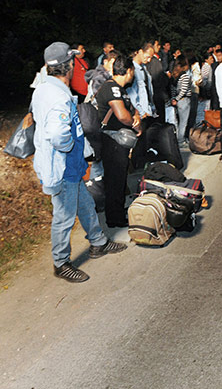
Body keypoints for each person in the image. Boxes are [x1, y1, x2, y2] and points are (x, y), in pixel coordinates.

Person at [32, 42, 127, 282]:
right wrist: (69, 147)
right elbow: (57, 135)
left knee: (85, 205)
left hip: (71, 165)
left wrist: (82, 150)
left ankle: (98, 243)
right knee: (63, 215)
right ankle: (60, 262)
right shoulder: (56, 95)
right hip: (63, 167)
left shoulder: (44, 88)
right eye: (73, 61)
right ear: (68, 66)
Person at [95, 53, 142, 228]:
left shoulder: (120, 90)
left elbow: (130, 108)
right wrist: (135, 125)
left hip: (117, 141)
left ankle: (117, 211)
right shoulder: (112, 88)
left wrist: (136, 115)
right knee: (115, 180)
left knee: (119, 178)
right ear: (129, 71)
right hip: (111, 142)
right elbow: (123, 116)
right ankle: (114, 218)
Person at [170, 54, 192, 145]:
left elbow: (173, 89)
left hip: (177, 100)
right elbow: (184, 90)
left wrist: (174, 98)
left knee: (178, 121)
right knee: (183, 122)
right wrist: (178, 99)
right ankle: (181, 140)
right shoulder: (185, 76)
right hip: (184, 100)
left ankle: (179, 139)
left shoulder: (175, 75)